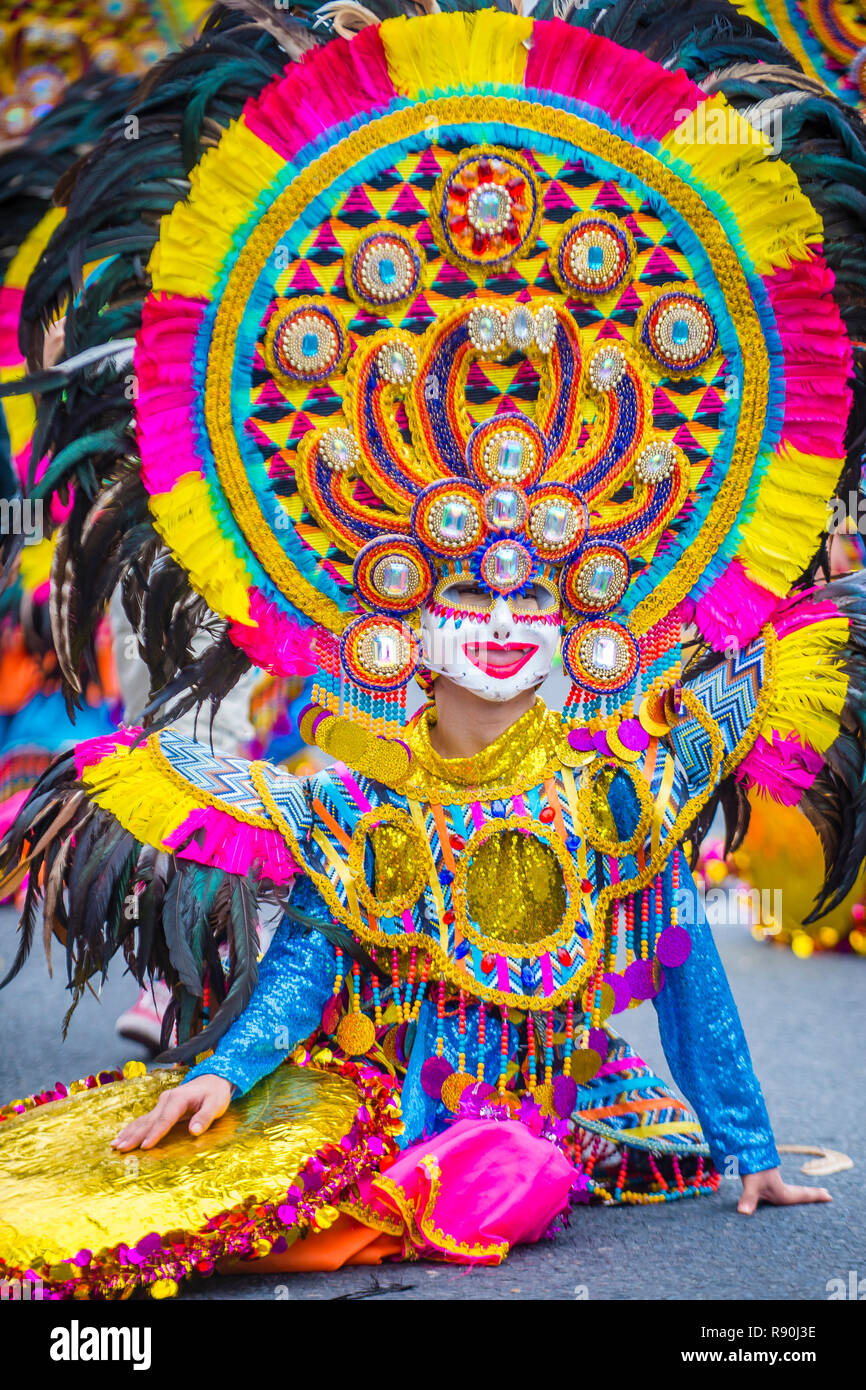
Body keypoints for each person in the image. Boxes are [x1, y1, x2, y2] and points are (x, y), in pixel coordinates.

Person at [0, 0, 863, 1297]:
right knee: (303, 1151)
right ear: (406, 626)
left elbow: (687, 985)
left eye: (540, 599)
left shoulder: (611, 798)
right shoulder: (356, 806)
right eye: (474, 593)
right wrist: (224, 1075)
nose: (510, 622)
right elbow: (300, 970)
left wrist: (746, 1149)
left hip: (547, 1132)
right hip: (391, 1107)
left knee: (507, 1169)